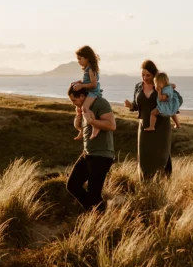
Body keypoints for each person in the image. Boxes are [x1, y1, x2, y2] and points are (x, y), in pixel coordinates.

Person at [66, 81, 116, 212]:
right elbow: (87, 131)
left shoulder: (100, 103)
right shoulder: (84, 109)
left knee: (94, 194)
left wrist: (92, 121)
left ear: (82, 96)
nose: (73, 103)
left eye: (74, 100)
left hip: (102, 155)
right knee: (72, 185)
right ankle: (94, 213)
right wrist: (78, 125)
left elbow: (111, 125)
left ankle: (99, 219)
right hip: (88, 154)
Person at [124, 59, 173, 178]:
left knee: (160, 155)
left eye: (148, 75)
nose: (145, 78)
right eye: (142, 75)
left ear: (154, 74)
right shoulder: (138, 87)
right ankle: (145, 184)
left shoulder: (163, 86)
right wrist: (131, 106)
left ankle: (163, 181)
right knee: (144, 157)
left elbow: (171, 102)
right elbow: (137, 106)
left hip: (161, 127)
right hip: (144, 125)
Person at [71, 45, 103, 140]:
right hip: (88, 92)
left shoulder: (91, 70)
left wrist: (81, 86)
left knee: (85, 107)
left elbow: (93, 84)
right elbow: (86, 81)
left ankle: (95, 126)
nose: (78, 61)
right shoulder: (86, 69)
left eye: (80, 59)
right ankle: (82, 129)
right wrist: (79, 82)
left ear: (87, 58)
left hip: (93, 92)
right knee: (79, 109)